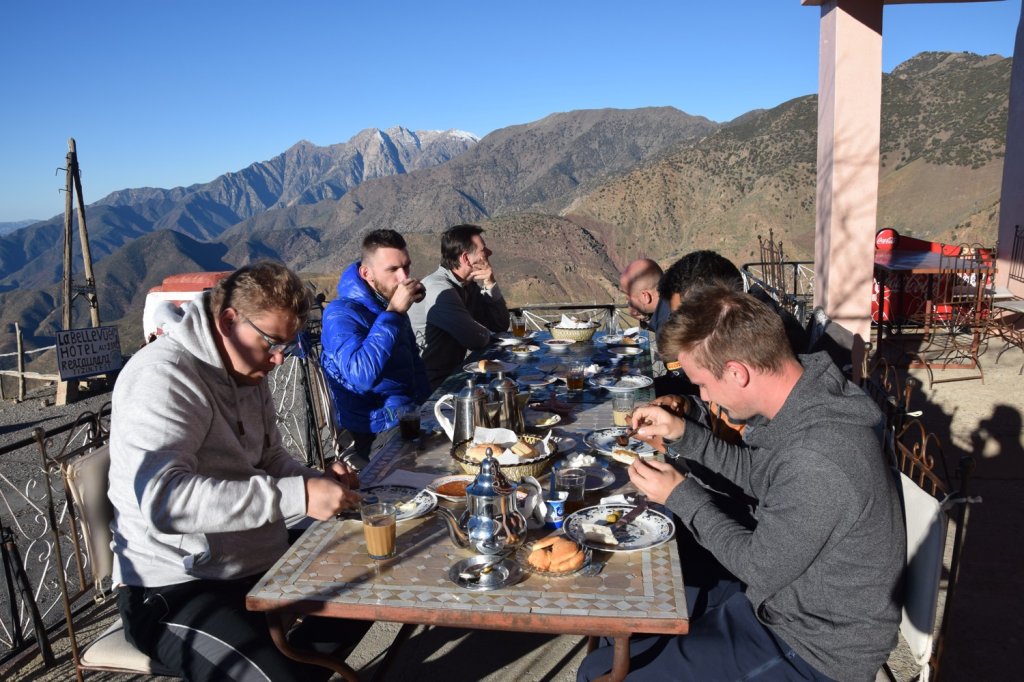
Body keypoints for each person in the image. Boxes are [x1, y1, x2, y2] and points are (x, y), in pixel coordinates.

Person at [578, 284, 904, 682]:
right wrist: (685, 434)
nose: (702, 394)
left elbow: (756, 567)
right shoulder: (806, 401)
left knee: (602, 672)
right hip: (783, 598)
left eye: (702, 384)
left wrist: (681, 495)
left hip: (813, 646)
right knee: (623, 612)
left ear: (736, 372)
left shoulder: (819, 456)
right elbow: (761, 475)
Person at [108, 261, 368, 682]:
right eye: (272, 342)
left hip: (253, 556)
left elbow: (270, 460)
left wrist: (314, 482)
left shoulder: (247, 366)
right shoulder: (162, 377)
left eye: (286, 346)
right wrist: (298, 496)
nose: (279, 359)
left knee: (375, 579)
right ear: (229, 321)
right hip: (173, 584)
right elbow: (165, 501)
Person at [321, 229, 431, 461]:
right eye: (393, 270)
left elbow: (413, 365)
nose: (403, 278)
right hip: (374, 428)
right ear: (366, 273)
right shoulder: (340, 314)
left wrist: (428, 406)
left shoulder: (388, 306)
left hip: (409, 412)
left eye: (406, 267)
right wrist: (394, 313)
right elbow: (360, 375)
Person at [408, 224, 511, 388]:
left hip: (453, 374)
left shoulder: (467, 287)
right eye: (483, 250)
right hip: (430, 384)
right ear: (466, 258)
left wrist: (490, 284)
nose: (489, 253)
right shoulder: (439, 289)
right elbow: (475, 339)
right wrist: (481, 331)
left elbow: (500, 325)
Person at [619, 257, 669, 332]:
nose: (626, 299)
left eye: (628, 295)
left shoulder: (672, 326)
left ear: (645, 296)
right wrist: (646, 318)